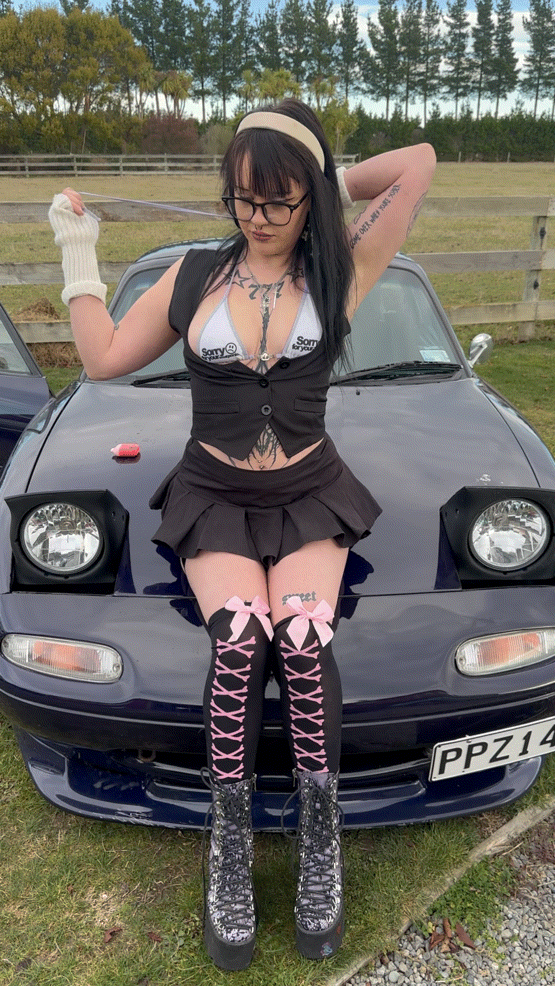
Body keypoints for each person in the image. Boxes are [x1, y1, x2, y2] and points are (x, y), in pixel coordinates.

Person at [48, 99, 436, 971]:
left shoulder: (340, 268)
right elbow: (104, 358)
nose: (257, 218)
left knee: (301, 640)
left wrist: (323, 181)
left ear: (306, 197)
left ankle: (320, 841)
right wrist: (78, 254)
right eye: (242, 198)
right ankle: (228, 847)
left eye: (276, 201)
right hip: (216, 494)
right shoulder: (193, 276)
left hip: (308, 492)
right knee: (240, 640)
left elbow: (417, 161)